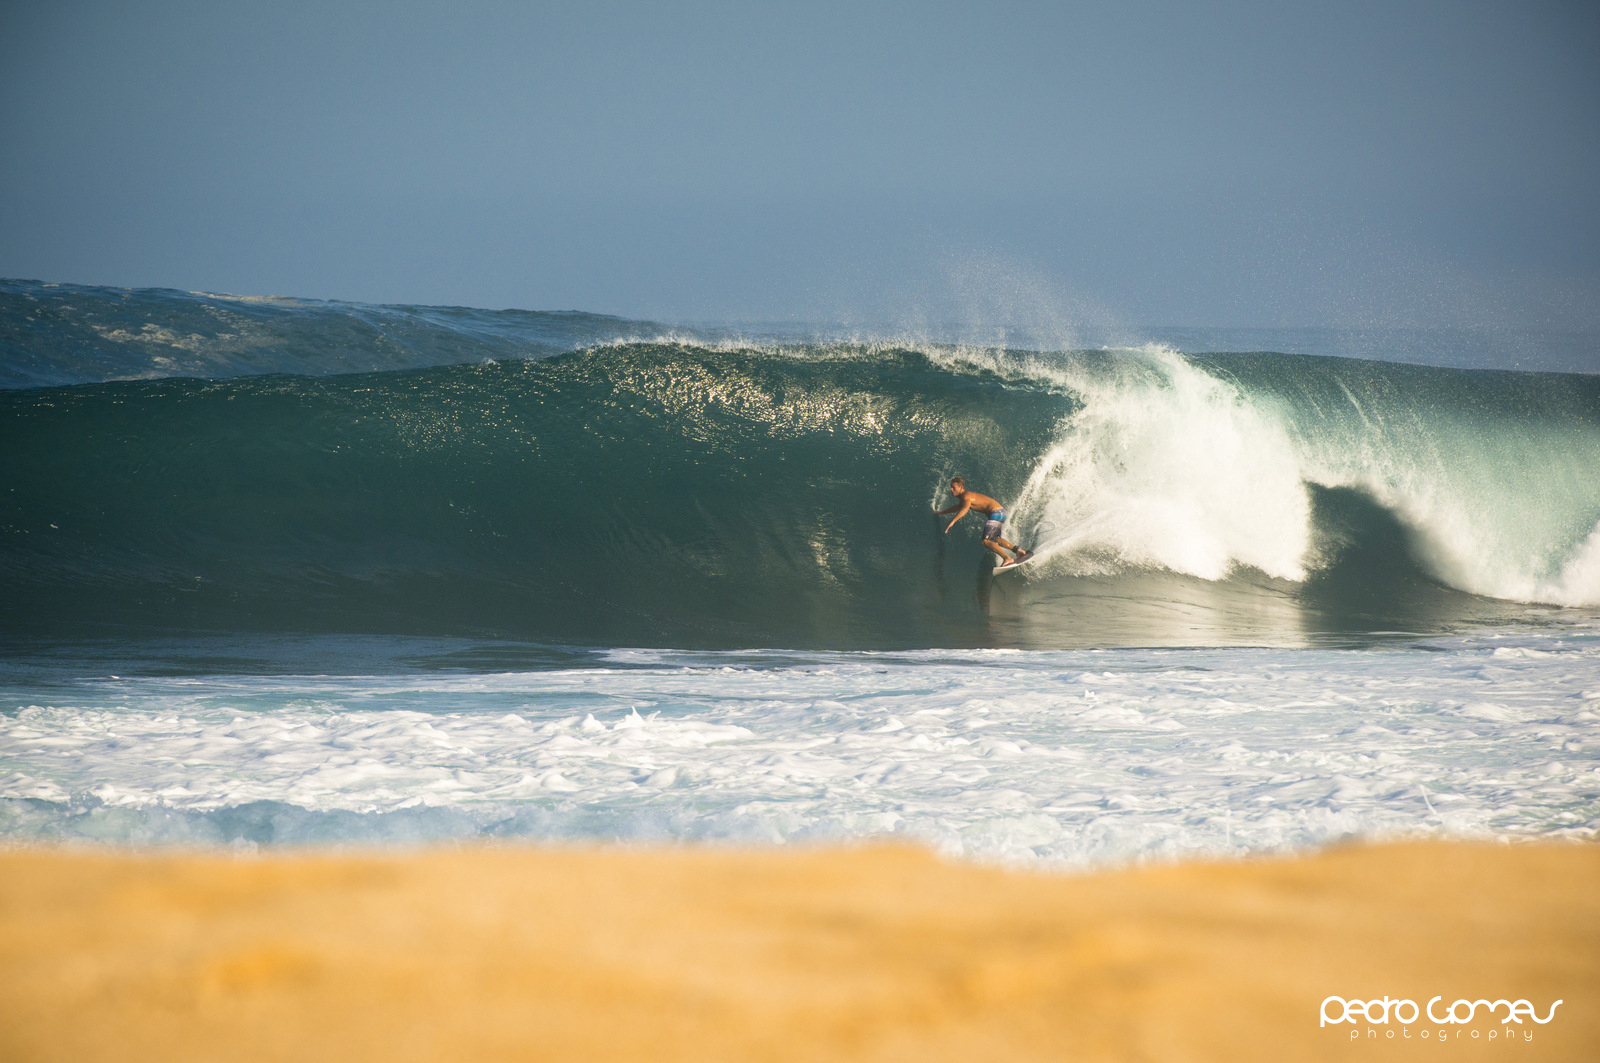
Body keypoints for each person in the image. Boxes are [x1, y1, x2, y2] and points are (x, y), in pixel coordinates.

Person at [936, 477, 1031, 567]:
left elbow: (965, 509)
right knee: (995, 539)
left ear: (961, 487)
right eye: (951, 487)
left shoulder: (966, 496)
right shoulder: (963, 499)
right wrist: (942, 512)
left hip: (996, 513)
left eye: (953, 487)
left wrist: (953, 521)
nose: (951, 489)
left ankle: (1007, 558)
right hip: (1001, 512)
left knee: (986, 541)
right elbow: (957, 507)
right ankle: (1019, 551)